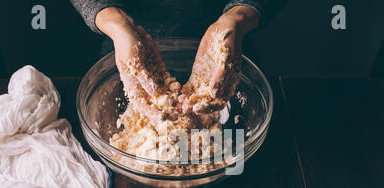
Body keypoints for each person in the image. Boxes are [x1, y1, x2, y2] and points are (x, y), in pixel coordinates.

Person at [70, 1, 286, 114]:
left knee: (236, 169)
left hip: (227, 63)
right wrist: (116, 23)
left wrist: (238, 17)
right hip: (125, 65)